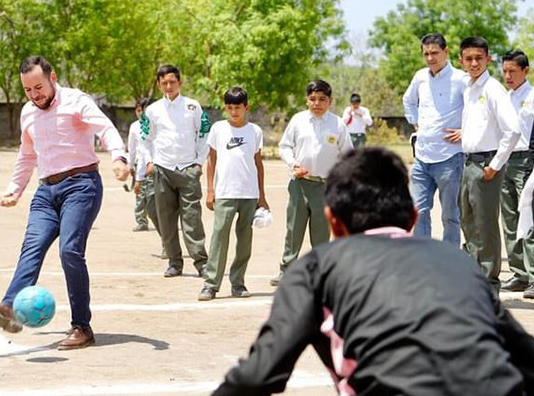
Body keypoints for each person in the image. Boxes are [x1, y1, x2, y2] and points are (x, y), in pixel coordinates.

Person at [212, 147, 534, 396]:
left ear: (333, 221)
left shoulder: (315, 268)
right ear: (412, 219)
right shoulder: (460, 263)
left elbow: (258, 375)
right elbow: (525, 357)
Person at [0, 56, 129, 350]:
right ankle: (8, 310)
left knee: (69, 249)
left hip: (81, 185)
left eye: (39, 87)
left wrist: (119, 157)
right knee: (32, 247)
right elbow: (27, 154)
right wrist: (15, 189)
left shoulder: (76, 101)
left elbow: (105, 128)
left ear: (52, 77)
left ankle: (82, 326)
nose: (35, 95)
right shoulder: (28, 113)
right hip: (46, 192)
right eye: (28, 90)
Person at [271, 80, 352, 285]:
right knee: (293, 229)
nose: (317, 103)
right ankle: (286, 269)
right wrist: (293, 164)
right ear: (306, 100)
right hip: (300, 183)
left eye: (322, 99)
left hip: (325, 186)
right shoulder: (298, 121)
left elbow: (348, 155)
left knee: (321, 232)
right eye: (312, 99)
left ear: (330, 101)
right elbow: (285, 147)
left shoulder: (337, 124)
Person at [459, 36, 521, 293]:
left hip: (486, 164)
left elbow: (514, 130)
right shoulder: (468, 87)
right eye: (469, 58)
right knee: (468, 221)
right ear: (461, 61)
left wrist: (495, 165)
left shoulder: (493, 88)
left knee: (486, 225)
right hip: (468, 163)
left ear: (488, 58)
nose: (474, 63)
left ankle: (489, 283)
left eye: (478, 58)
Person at [199, 87, 269, 301]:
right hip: (225, 192)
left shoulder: (255, 131)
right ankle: (211, 284)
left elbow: (258, 164)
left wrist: (262, 195)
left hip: (248, 193)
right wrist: (210, 190)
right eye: (229, 108)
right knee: (219, 237)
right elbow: (211, 160)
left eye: (237, 107)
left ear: (246, 107)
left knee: (244, 239)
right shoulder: (218, 129)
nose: (234, 112)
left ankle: (238, 283)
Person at [141, 64, 210, 278]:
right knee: (166, 219)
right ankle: (174, 262)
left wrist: (199, 163)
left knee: (192, 218)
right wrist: (149, 162)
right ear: (159, 85)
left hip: (188, 169)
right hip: (162, 169)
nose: (168, 86)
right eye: (164, 83)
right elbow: (145, 138)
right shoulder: (152, 110)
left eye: (172, 82)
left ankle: (201, 262)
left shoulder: (193, 106)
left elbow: (204, 133)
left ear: (179, 82)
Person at [403, 33, 467, 247]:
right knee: (418, 211)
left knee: (450, 215)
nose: (430, 58)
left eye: (435, 53)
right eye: (426, 54)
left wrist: (465, 130)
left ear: (446, 52)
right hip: (421, 158)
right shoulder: (420, 76)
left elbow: (477, 110)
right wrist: (416, 123)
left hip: (450, 158)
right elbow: (408, 100)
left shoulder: (461, 79)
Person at [500, 50, 534, 294]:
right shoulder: (503, 97)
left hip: (527, 161)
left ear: (526, 71)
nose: (508, 76)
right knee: (509, 219)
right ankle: (519, 272)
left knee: (529, 218)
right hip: (505, 160)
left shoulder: (532, 97)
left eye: (513, 71)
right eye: (505, 71)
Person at [128, 98, 158, 233]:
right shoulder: (134, 126)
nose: (141, 113)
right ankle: (141, 220)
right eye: (138, 110)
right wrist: (130, 165)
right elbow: (132, 147)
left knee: (153, 194)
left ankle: (160, 221)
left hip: (154, 163)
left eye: (143, 110)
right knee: (139, 193)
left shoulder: (156, 125)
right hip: (140, 163)